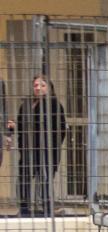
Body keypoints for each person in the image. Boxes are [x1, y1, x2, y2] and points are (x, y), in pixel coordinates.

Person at [13, 75, 66, 217]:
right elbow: (20, 127)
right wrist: (20, 144)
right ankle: (24, 209)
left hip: (47, 150)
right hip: (27, 150)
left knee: (45, 179)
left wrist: (52, 146)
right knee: (24, 178)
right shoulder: (26, 104)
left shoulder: (54, 104)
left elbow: (61, 130)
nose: (38, 88)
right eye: (36, 85)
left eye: (42, 85)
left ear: (49, 88)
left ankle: (48, 209)